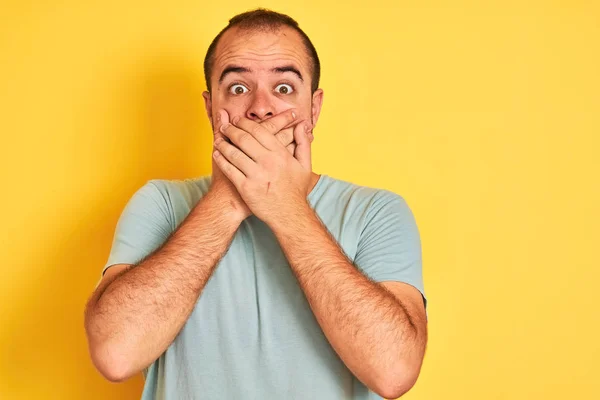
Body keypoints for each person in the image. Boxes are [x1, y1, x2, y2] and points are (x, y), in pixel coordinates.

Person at [84, 8, 427, 400]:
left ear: (313, 109)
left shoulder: (375, 212)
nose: (261, 108)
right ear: (211, 107)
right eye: (238, 88)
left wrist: (286, 207)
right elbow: (116, 354)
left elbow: (394, 371)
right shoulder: (160, 204)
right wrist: (231, 199)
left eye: (283, 88)